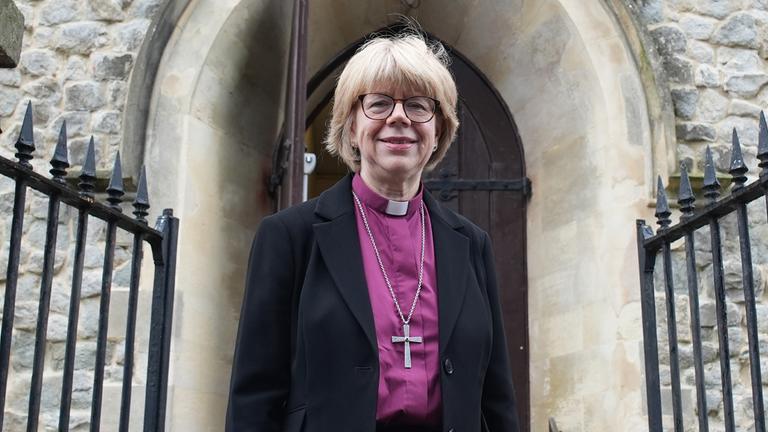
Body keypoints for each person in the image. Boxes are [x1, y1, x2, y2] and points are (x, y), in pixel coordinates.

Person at [226, 28, 520, 432]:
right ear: (350, 127)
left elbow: (496, 398)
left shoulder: (471, 244)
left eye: (418, 106)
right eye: (379, 104)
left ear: (438, 132)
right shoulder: (290, 237)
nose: (398, 117)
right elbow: (254, 397)